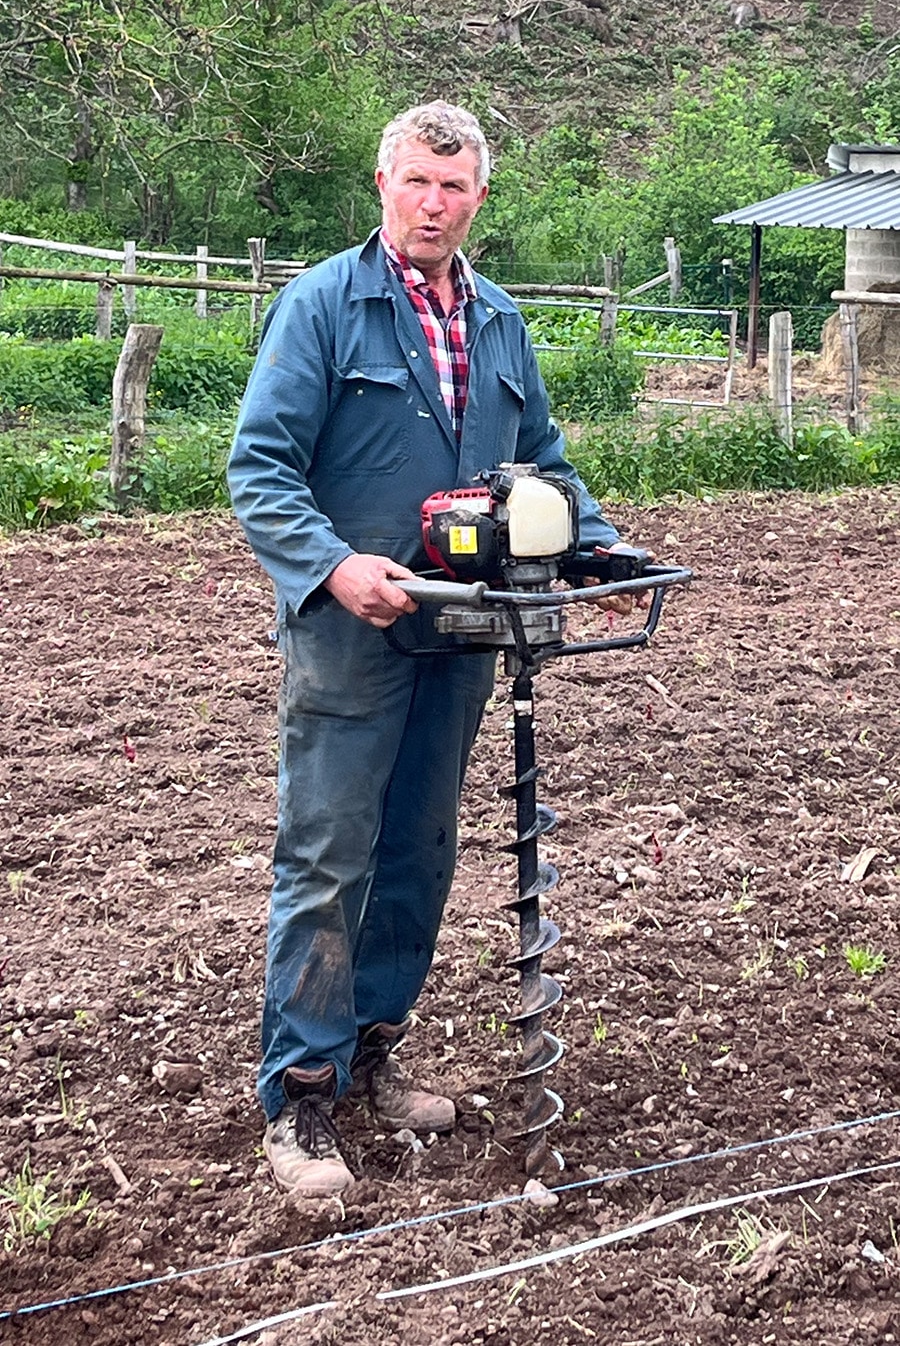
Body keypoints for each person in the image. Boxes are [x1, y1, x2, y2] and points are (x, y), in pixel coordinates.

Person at [228, 100, 628, 1203]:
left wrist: (595, 542)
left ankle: (371, 1050)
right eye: (416, 182)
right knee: (328, 854)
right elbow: (260, 467)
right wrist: (332, 564)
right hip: (353, 627)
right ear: (383, 184)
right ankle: (301, 1089)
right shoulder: (322, 306)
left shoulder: (498, 320)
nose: (433, 204)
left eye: (453, 187)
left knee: (420, 852)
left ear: (478, 198)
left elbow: (537, 458)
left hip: (463, 624)